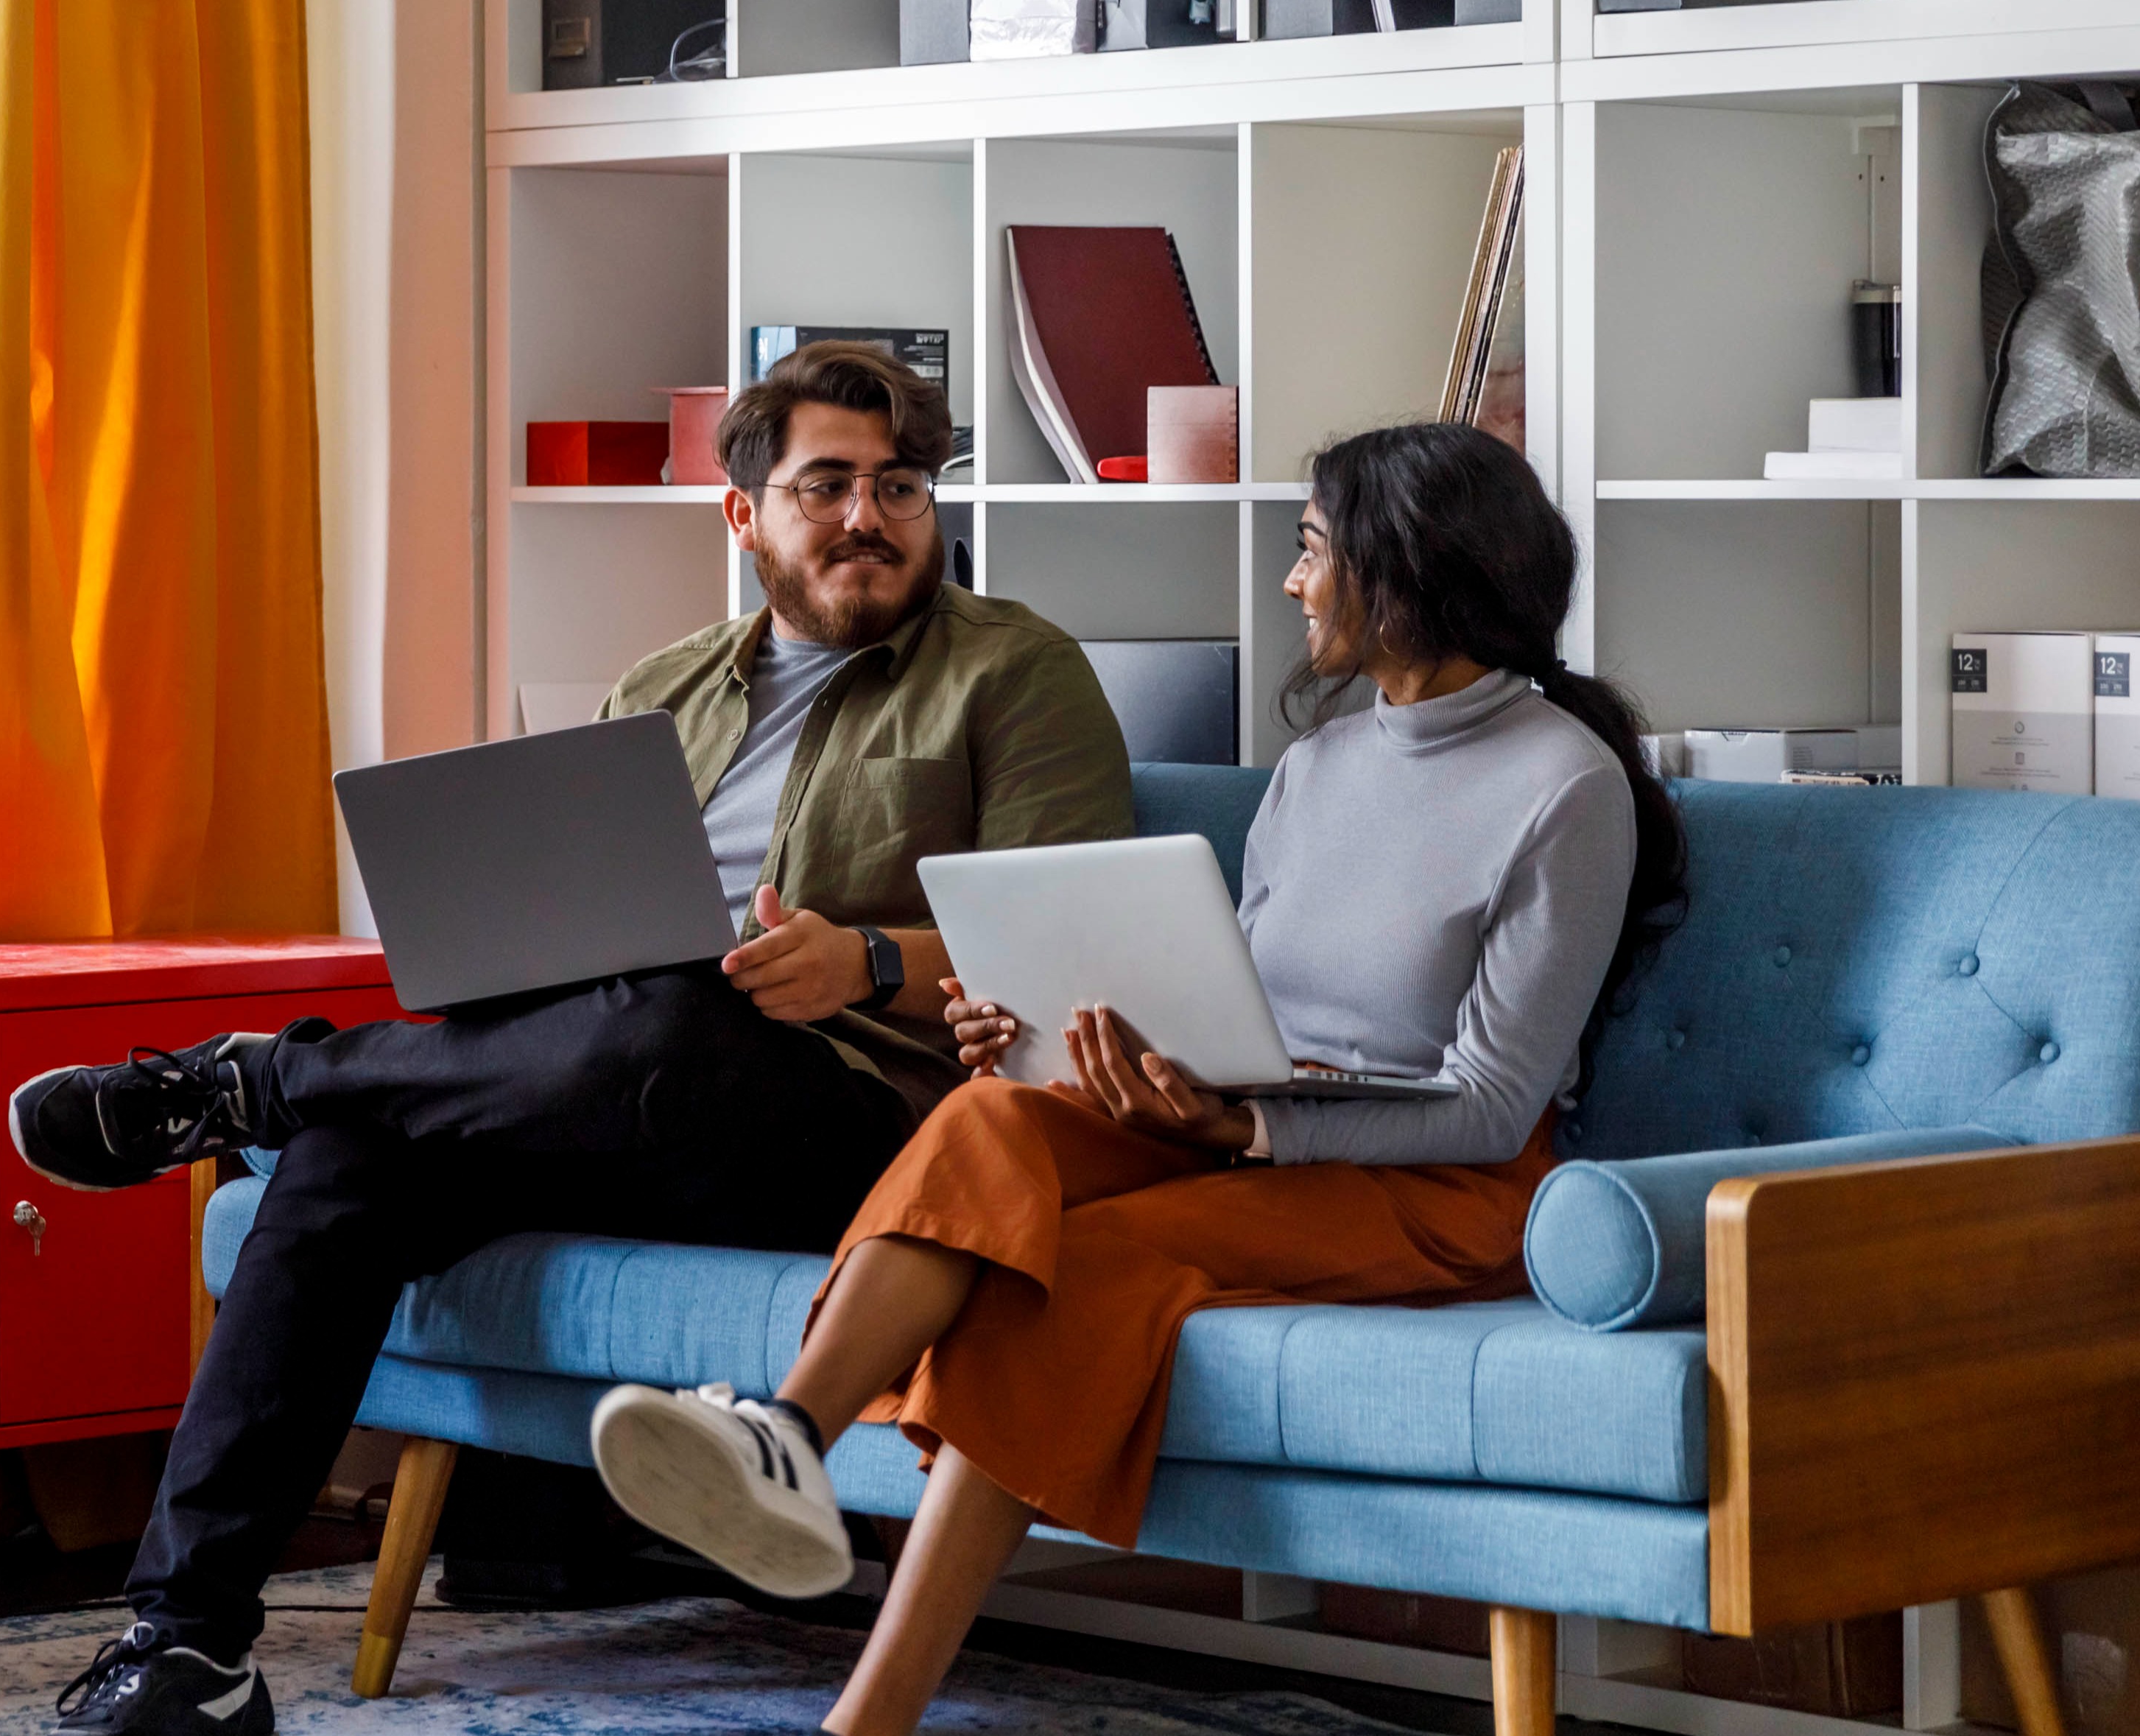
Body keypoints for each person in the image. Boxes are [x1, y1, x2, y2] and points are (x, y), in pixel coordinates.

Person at [7, 341, 1133, 1736]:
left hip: (862, 1125)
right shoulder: (663, 684)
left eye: (900, 486)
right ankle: (188, 1645)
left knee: (665, 1017)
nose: (869, 517)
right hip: (615, 1091)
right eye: (828, 484)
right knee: (351, 1158)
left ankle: (253, 1080)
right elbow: (559, 960)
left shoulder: (1014, 672)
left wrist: (870, 959)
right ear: (746, 517)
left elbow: (1072, 960)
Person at [583, 421, 1688, 1736]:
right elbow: (1247, 1007)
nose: (1295, 584)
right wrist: (1063, 1047)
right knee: (993, 1112)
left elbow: (1496, 1102)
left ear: (1409, 571)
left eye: (1313, 551)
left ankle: (865, 1720)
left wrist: (1247, 1125)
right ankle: (784, 1440)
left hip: (1447, 1182)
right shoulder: (1320, 766)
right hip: (1253, 1118)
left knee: (1084, 1270)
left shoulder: (1567, 787)